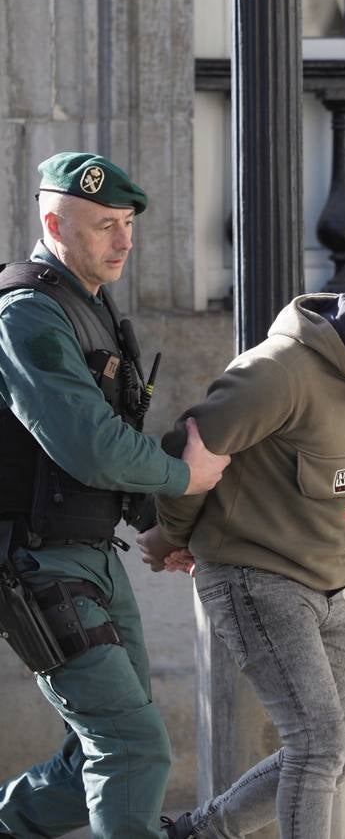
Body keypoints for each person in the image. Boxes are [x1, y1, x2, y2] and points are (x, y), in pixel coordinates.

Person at [144, 273, 345, 839]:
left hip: (327, 586)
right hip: (255, 577)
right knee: (317, 746)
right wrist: (173, 535)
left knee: (336, 757)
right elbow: (191, 446)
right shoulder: (281, 371)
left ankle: (195, 834)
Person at [0, 152, 231, 838]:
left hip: (91, 559)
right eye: (105, 225)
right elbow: (91, 445)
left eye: (127, 224)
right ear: (53, 222)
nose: (124, 242)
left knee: (96, 759)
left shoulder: (88, 305)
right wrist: (185, 478)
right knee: (130, 746)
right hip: (37, 566)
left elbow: (108, 443)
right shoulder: (29, 313)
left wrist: (165, 524)